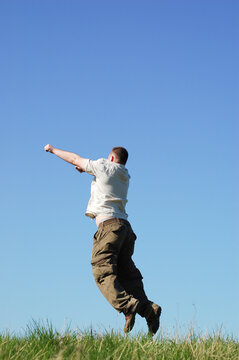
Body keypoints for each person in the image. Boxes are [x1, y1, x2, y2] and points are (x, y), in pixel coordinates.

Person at [44, 144, 162, 334]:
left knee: (102, 270)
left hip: (108, 228)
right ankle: (149, 309)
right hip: (125, 229)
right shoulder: (124, 175)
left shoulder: (104, 166)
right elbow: (102, 179)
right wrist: (88, 171)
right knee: (127, 275)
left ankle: (132, 307)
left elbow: (75, 159)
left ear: (112, 159)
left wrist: (53, 150)